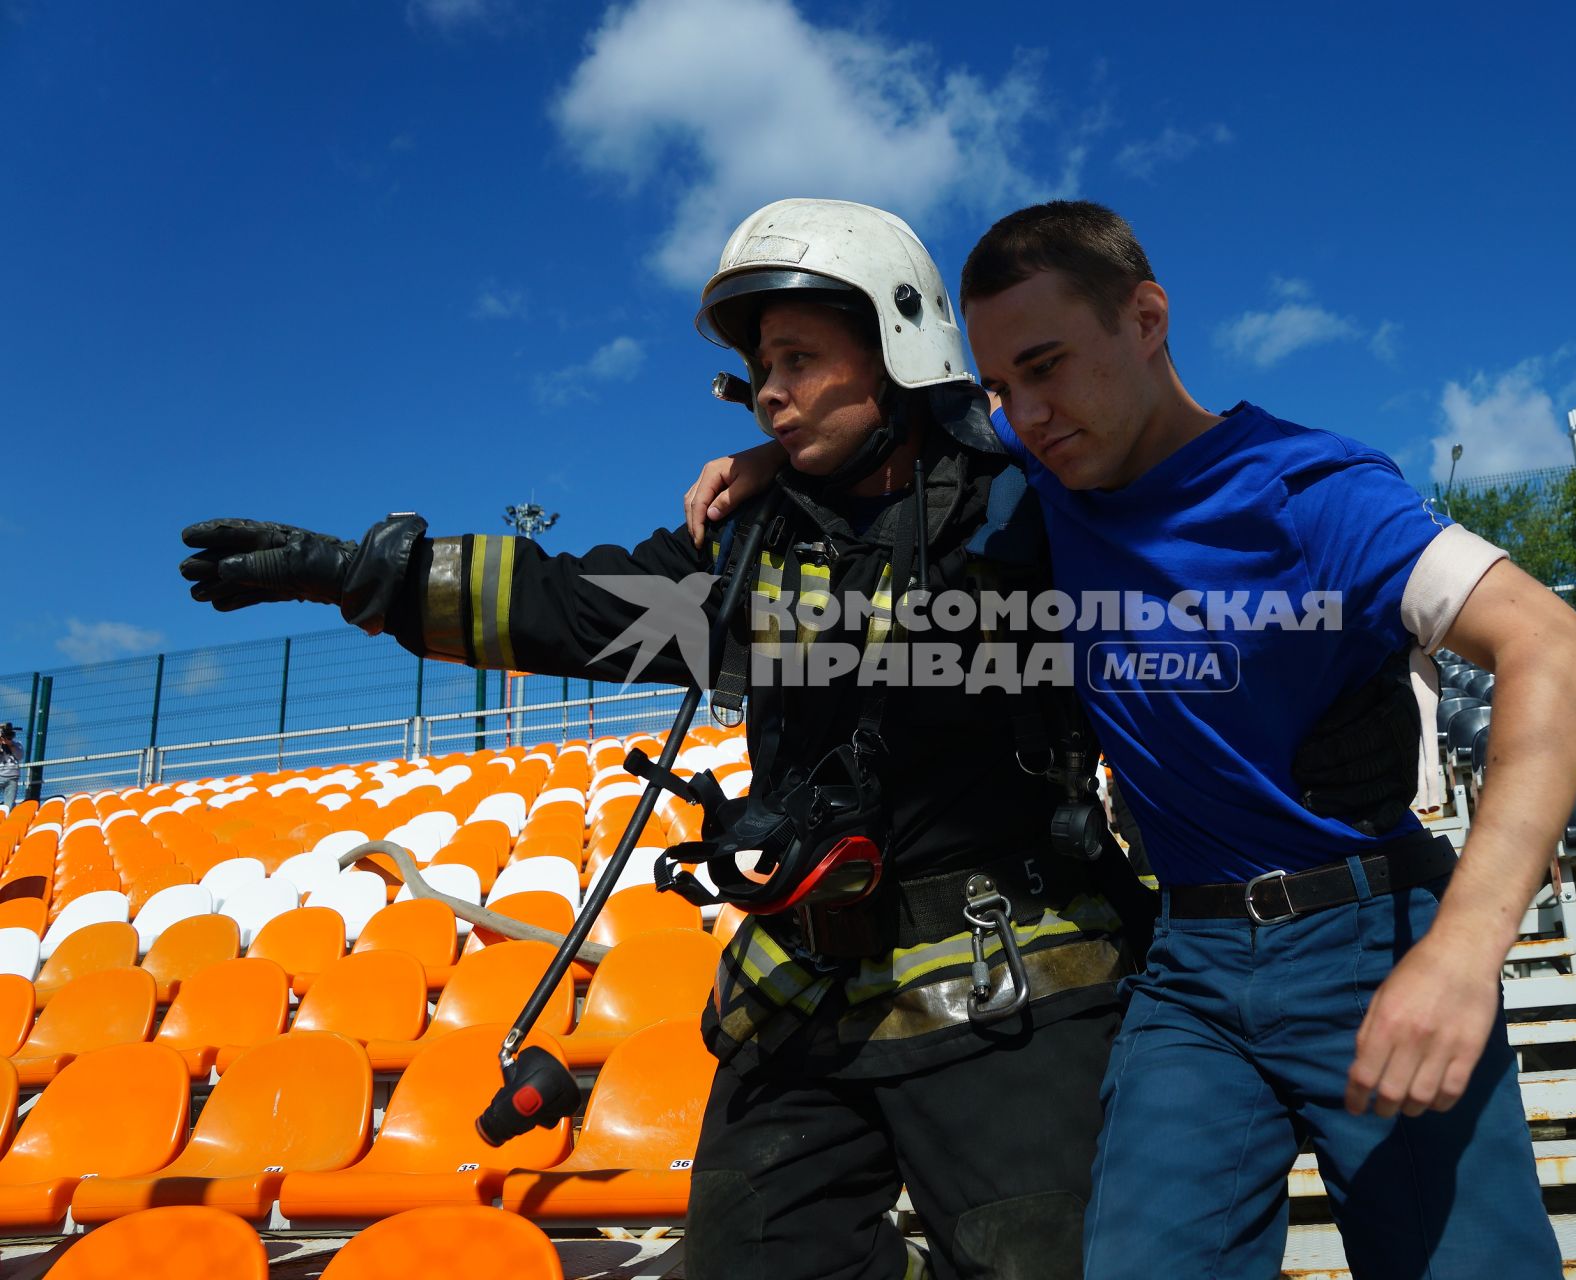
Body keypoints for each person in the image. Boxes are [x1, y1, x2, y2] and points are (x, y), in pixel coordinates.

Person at [179, 199, 1134, 1280]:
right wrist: (367, 577)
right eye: (761, 363)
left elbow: (1115, 447)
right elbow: (579, 608)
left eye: (800, 357)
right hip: (800, 986)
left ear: (898, 344)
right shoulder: (741, 552)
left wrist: (953, 430)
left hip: (1008, 982)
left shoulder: (1025, 512)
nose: (770, 388)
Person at [686, 200, 1576, 1275]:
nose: (1026, 414)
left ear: (1146, 317)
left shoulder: (1308, 491)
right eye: (998, 388)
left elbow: (1555, 649)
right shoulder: (1041, 486)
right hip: (1188, 962)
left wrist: (1460, 950)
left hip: (1370, 933)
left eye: (1048, 364)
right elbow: (904, 455)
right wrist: (779, 471)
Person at [0, 724, 22, 808]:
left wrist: (10, 745)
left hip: (12, 776)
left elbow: (19, 756)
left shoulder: (17, 744)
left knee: (9, 804)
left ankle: (7, 818)